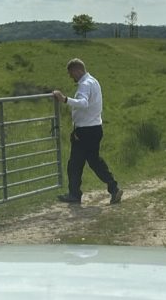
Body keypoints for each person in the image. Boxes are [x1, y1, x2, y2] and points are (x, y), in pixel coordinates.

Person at [51, 58, 123, 205]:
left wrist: (64, 99)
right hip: (95, 128)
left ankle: (74, 194)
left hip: (85, 131)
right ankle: (113, 188)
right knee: (94, 162)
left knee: (74, 164)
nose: (70, 77)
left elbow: (83, 103)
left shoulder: (84, 84)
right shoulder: (94, 81)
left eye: (71, 73)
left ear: (77, 70)